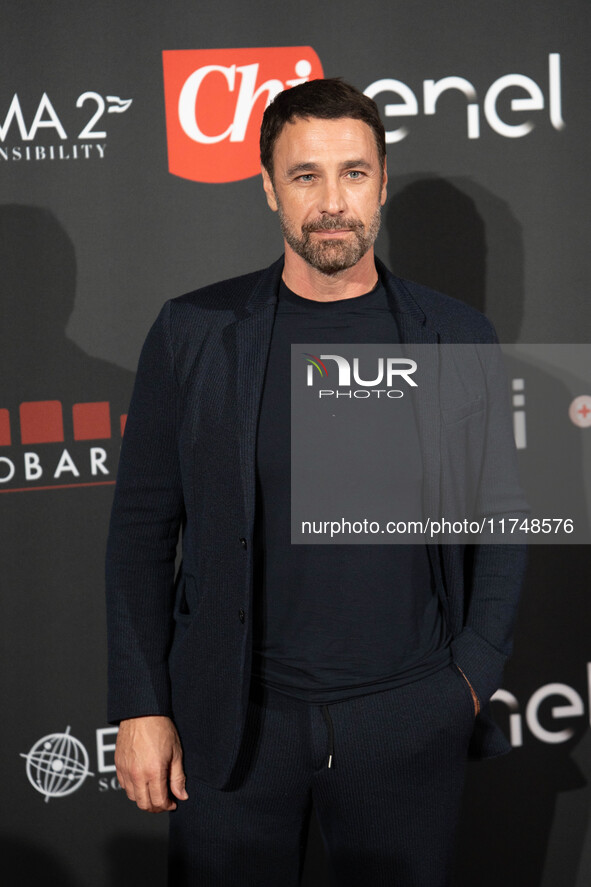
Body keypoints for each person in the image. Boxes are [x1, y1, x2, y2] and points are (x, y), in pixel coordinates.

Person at [106, 78, 527, 886]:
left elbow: (501, 514)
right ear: (267, 187)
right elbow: (140, 529)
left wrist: (471, 673)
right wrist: (141, 703)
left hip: (405, 719)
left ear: (381, 184)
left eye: (353, 173)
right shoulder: (192, 332)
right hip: (234, 724)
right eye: (305, 176)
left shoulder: (454, 334)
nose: (332, 202)